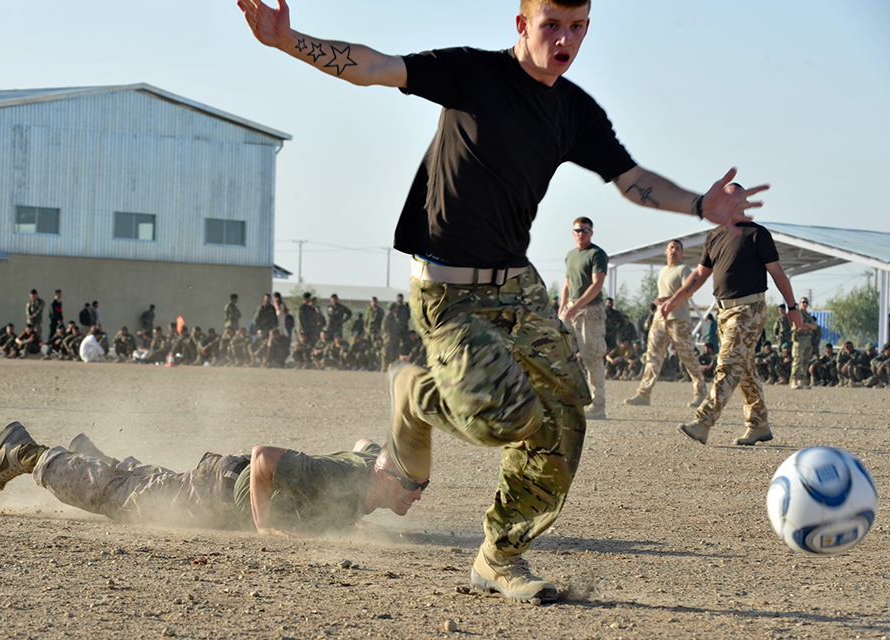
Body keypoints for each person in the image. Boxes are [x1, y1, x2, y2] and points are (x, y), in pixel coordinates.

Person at [238, 0, 766, 603]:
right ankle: (417, 394)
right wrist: (288, 41)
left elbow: (630, 179)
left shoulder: (573, 110)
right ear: (522, 25)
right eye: (551, 26)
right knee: (508, 418)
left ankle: (499, 556)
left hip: (517, 286)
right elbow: (374, 66)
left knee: (565, 420)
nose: (564, 39)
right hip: (448, 291)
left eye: (577, 27)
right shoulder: (472, 74)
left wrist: (702, 205)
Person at [0, 423, 426, 536]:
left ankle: (94, 456)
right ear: (385, 477)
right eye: (412, 486)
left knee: (145, 487)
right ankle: (24, 452)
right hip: (214, 496)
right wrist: (264, 523)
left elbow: (367, 441)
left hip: (213, 480)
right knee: (117, 498)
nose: (417, 496)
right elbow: (264, 457)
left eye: (423, 487)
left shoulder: (366, 469)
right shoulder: (336, 476)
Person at [661, 184, 800, 446]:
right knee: (744, 368)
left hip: (749, 310)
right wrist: (674, 298)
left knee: (727, 366)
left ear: (744, 202)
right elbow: (700, 275)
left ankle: (703, 422)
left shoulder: (757, 234)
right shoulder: (714, 235)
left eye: (736, 198)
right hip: (724, 311)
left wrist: (792, 308)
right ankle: (759, 425)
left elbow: (778, 272)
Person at [624, 239, 708, 408]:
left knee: (688, 357)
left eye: (677, 248)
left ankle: (701, 393)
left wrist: (670, 299)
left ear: (681, 253)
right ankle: (644, 394)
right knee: (652, 357)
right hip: (659, 320)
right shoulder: (663, 271)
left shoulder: (684, 269)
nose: (674, 251)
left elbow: (688, 291)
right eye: (671, 248)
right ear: (666, 251)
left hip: (679, 320)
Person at [560, 216, 608, 420]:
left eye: (585, 231)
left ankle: (598, 406)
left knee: (592, 358)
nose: (581, 234)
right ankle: (570, 402)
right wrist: (562, 310)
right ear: (573, 233)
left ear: (591, 233)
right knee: (564, 355)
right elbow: (567, 285)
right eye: (578, 231)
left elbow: (597, 284)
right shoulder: (570, 256)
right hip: (570, 311)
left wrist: (577, 306)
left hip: (590, 312)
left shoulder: (597, 254)